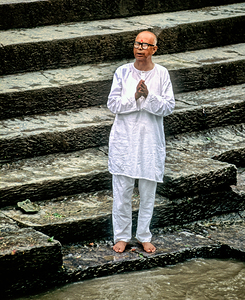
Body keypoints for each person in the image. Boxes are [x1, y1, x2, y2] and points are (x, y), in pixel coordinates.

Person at [107, 31, 175, 253]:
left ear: (154, 49)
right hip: (125, 140)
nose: (139, 48)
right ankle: (122, 236)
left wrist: (149, 97)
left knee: (148, 192)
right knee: (122, 192)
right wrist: (135, 98)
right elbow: (113, 105)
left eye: (145, 45)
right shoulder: (123, 72)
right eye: (137, 43)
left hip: (149, 142)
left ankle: (144, 235)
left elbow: (168, 107)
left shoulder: (162, 74)